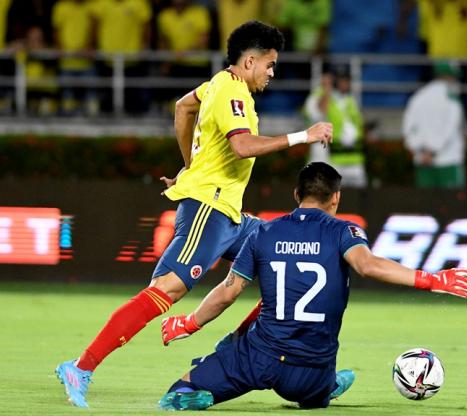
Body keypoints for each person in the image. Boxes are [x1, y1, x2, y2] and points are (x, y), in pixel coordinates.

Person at [54, 20, 333, 408]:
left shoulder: (217, 86)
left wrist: (191, 166)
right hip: (210, 209)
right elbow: (243, 147)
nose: (272, 72)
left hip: (229, 212)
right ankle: (80, 367)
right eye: (270, 64)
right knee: (166, 290)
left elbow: (183, 107)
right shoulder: (233, 93)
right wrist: (305, 135)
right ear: (249, 61)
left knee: (284, 262)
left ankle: (308, 373)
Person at [157, 162, 467, 411]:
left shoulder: (263, 232)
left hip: (257, 358)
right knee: (316, 393)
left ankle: (197, 394)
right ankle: (324, 389)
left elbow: (229, 291)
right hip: (311, 368)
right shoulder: (343, 232)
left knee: (177, 392)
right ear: (336, 198)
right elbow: (369, 266)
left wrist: (189, 323)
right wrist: (433, 279)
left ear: (297, 195)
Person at [402, 60, 465, 189]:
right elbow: (450, 127)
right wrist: (432, 151)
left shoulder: (418, 96)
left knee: (426, 206)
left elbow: (409, 128)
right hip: (448, 160)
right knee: (454, 206)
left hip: (423, 161)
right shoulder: (451, 97)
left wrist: (420, 151)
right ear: (448, 76)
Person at [304, 65, 366, 187]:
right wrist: (327, 89)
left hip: (352, 157)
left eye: (347, 80)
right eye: (341, 79)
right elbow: (321, 112)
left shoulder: (349, 100)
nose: (345, 83)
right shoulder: (318, 96)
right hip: (326, 156)